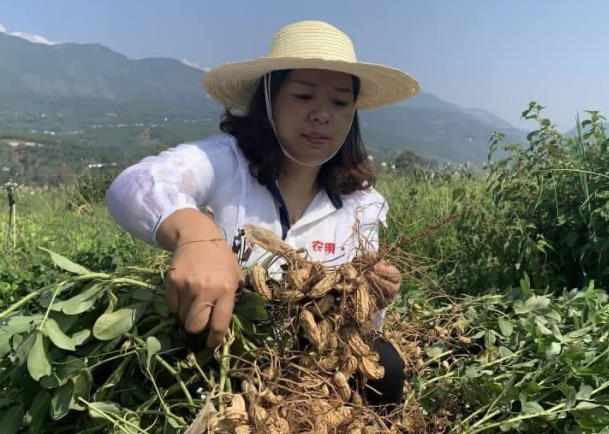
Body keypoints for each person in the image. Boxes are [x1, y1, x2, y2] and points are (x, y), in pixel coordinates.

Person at [106, 20, 419, 405]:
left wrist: (371, 296)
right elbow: (136, 183)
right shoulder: (225, 162)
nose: (323, 115)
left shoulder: (361, 204)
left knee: (385, 366)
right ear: (269, 100)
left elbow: (360, 329)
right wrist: (197, 235)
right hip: (217, 353)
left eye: (340, 103)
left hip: (310, 369)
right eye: (303, 96)